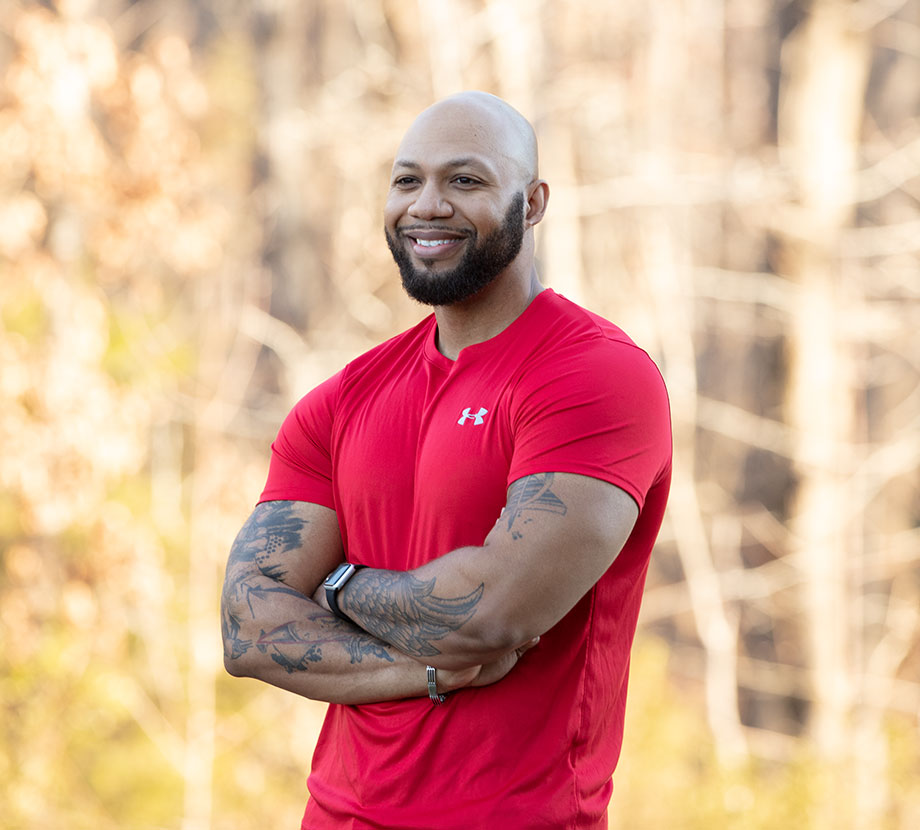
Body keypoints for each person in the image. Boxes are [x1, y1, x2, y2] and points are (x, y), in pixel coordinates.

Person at [221, 90, 672, 830]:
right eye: (407, 180)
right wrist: (424, 670)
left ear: (533, 203)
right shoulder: (343, 400)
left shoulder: (594, 377)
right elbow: (248, 628)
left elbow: (490, 615)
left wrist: (329, 586)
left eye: (465, 181)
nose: (427, 205)